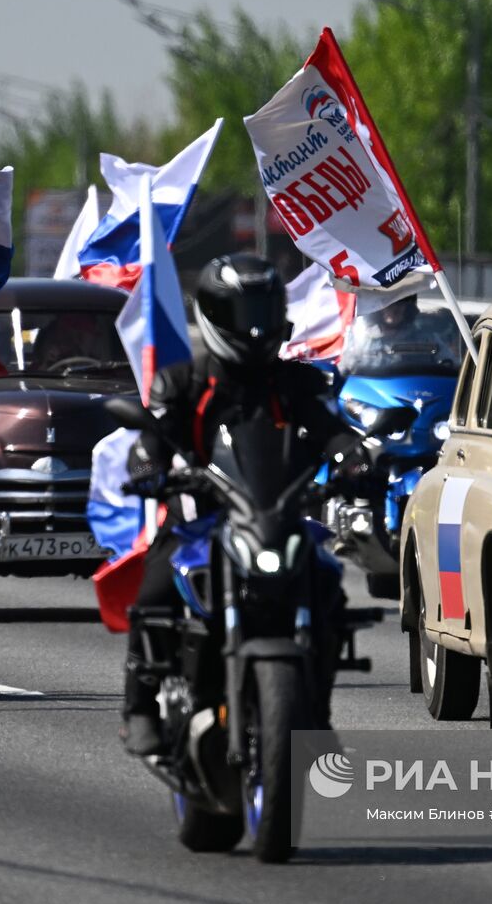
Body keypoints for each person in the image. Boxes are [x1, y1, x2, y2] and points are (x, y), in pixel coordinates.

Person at [119, 254, 360, 755]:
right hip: (202, 517)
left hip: (280, 514)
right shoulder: (185, 382)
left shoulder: (297, 383)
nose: (254, 328)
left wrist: (352, 457)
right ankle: (140, 705)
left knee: (329, 586)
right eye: (241, 313)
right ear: (213, 314)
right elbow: (154, 438)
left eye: (264, 312)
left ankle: (316, 709)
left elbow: (332, 430)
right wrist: (149, 466)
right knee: (156, 591)